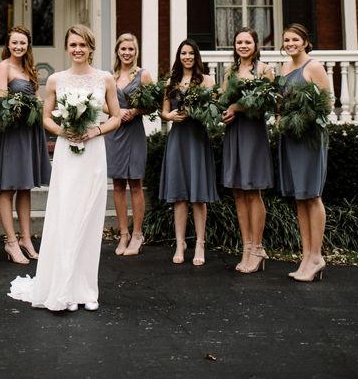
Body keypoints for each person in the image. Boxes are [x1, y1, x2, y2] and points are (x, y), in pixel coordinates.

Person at [8, 24, 123, 312]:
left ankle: (86, 289)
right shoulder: (57, 80)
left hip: (93, 153)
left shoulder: (105, 78)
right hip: (67, 153)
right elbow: (46, 117)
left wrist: (95, 131)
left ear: (91, 48)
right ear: (66, 47)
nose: (78, 50)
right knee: (66, 217)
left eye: (82, 45)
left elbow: (116, 116)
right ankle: (64, 288)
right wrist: (63, 131)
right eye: (73, 45)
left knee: (89, 218)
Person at [275, 23, 332, 282]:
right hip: (289, 138)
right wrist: (280, 117)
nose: (290, 44)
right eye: (286, 40)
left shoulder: (314, 67)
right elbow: (281, 102)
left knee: (312, 195)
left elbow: (326, 104)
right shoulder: (284, 69)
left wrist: (300, 118)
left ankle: (317, 256)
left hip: (309, 139)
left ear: (305, 41)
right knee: (300, 197)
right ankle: (306, 256)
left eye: (294, 39)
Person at [220, 27, 276, 274]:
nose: (243, 45)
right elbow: (223, 99)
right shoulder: (230, 71)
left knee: (253, 190)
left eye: (247, 42)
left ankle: (258, 247)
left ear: (255, 45)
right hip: (234, 133)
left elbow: (267, 102)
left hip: (253, 133)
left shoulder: (264, 70)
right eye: (239, 42)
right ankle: (246, 247)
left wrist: (237, 107)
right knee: (238, 192)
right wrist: (224, 113)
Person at [157, 40, 217, 266]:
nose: (187, 56)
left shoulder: (207, 81)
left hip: (197, 139)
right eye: (183, 53)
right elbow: (163, 112)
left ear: (196, 56)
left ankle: (200, 243)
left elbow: (213, 111)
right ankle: (180, 242)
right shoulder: (170, 82)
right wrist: (170, 116)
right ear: (179, 56)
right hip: (178, 139)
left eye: (191, 53)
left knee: (198, 196)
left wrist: (196, 111)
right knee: (179, 195)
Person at [0, 26, 48, 264]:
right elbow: (3, 99)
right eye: (15, 43)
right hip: (14, 131)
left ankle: (26, 238)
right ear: (8, 44)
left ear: (28, 45)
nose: (18, 47)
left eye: (23, 43)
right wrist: (25, 107)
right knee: (9, 187)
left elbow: (35, 98)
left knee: (25, 187)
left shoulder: (30, 68)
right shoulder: (3, 66)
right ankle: (11, 241)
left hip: (31, 131)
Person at [106, 33, 150, 256]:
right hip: (114, 133)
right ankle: (123, 233)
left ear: (136, 51)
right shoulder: (109, 76)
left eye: (131, 49)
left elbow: (152, 105)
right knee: (117, 185)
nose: (126, 53)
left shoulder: (143, 75)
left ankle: (137, 234)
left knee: (135, 183)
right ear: (117, 51)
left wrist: (134, 111)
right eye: (123, 49)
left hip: (133, 133)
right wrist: (117, 111)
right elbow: (101, 105)